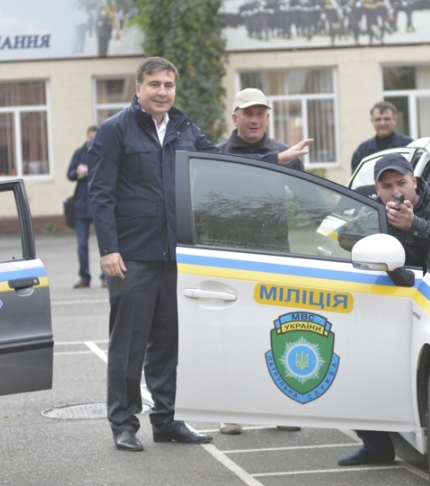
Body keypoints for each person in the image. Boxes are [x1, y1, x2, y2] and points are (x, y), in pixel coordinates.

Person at [89, 57, 311, 452]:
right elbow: (100, 194)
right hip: (133, 256)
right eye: (154, 84)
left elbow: (222, 165)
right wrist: (109, 249)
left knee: (169, 342)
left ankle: (167, 420)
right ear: (137, 88)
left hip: (176, 255)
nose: (162, 92)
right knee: (129, 344)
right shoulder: (114, 131)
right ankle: (123, 424)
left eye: (169, 85)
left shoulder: (184, 128)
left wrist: (277, 159)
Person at [337, 153, 430, 466]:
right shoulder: (376, 209)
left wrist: (414, 225)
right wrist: (378, 216)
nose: (396, 190)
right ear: (377, 189)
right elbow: (343, 237)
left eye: (401, 183)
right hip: (382, 302)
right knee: (359, 367)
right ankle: (375, 444)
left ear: (415, 181)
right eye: (386, 185)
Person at [216, 87, 303, 435]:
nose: (253, 119)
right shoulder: (218, 154)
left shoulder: (287, 153)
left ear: (267, 117)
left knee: (277, 332)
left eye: (260, 113)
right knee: (233, 335)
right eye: (246, 113)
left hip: (275, 257)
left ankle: (281, 407)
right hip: (232, 257)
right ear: (234, 117)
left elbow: (307, 198)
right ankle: (232, 409)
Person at [68, 125, 105, 288]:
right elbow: (69, 174)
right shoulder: (79, 153)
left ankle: (105, 277)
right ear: (86, 137)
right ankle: (85, 277)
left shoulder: (104, 152)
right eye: (90, 138)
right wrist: (78, 172)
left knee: (104, 242)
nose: (92, 141)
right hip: (81, 206)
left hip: (100, 205)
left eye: (96, 137)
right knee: (82, 244)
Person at [350, 102, 412, 172]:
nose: (382, 123)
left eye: (386, 119)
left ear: (395, 120)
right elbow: (357, 181)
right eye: (378, 119)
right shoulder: (362, 150)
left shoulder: (409, 145)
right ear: (372, 121)